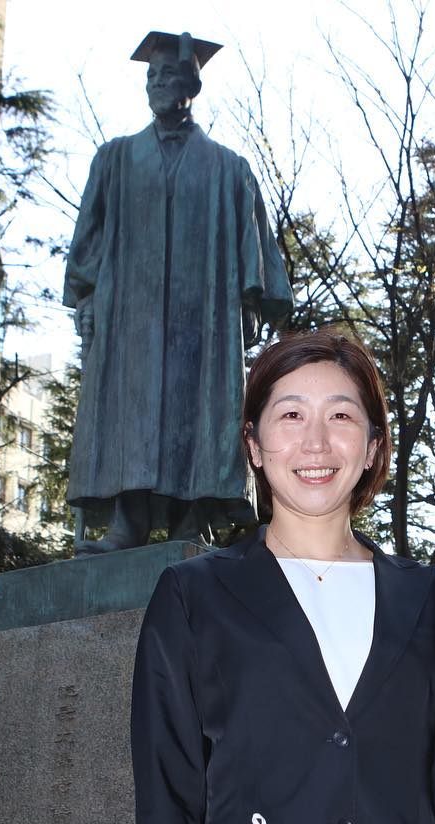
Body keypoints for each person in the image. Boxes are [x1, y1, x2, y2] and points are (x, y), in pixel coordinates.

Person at [130, 331, 435, 824]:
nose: (315, 442)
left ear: (372, 447)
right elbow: (166, 818)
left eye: (341, 416)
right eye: (291, 415)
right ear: (255, 445)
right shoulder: (191, 599)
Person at [63, 30, 292, 552]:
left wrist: (252, 301)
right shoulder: (115, 160)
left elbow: (253, 246)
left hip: (200, 317)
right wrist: (86, 297)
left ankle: (194, 521)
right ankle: (128, 522)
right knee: (129, 410)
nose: (158, 84)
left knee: (197, 407)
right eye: (152, 76)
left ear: (192, 85)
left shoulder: (229, 169)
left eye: (169, 76)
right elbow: (88, 242)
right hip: (130, 315)